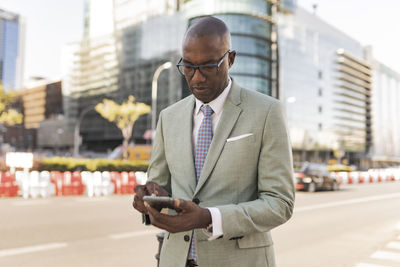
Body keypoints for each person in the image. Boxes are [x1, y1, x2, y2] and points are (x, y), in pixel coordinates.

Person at [133, 16, 295, 267]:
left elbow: (280, 203)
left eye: (208, 66)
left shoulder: (267, 112)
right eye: (188, 67)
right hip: (176, 259)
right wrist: (150, 199)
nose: (197, 78)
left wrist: (209, 217)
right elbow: (161, 185)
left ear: (230, 59)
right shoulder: (168, 117)